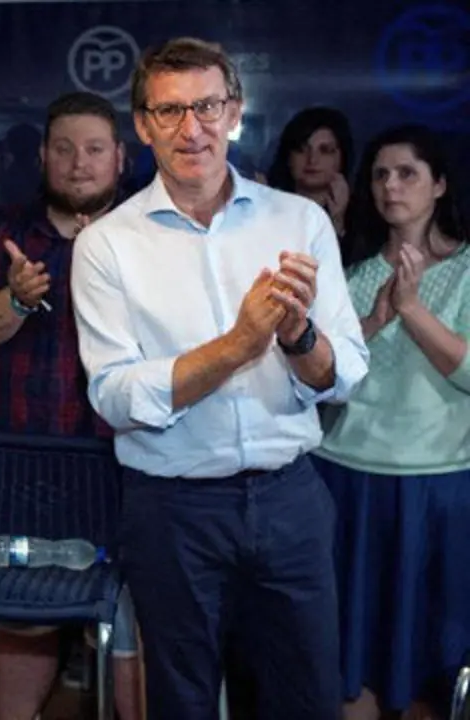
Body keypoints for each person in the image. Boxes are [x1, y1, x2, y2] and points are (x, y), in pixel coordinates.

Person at [70, 37, 369, 720]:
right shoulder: (107, 245)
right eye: (169, 111)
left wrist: (295, 336)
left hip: (289, 497)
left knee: (304, 698)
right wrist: (238, 345)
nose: (191, 128)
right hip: (173, 511)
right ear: (142, 125)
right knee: (184, 702)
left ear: (233, 111)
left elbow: (344, 374)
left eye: (206, 106)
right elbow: (116, 396)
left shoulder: (299, 220)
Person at [0, 91, 142, 720]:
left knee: (136, 615)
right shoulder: (4, 233)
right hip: (19, 465)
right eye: (64, 149)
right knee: (25, 615)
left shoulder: (148, 233)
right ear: (42, 156)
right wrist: (14, 301)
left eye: (94, 150)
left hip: (121, 464)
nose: (78, 164)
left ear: (120, 158)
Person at [313, 124, 470, 720]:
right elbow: (317, 379)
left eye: (407, 173)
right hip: (347, 477)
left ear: (439, 185)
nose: (390, 185)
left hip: (437, 485)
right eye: (380, 174)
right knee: (352, 647)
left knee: (429, 648)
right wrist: (378, 318)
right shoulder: (349, 273)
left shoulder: (467, 268)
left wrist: (412, 309)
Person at [267, 106, 354, 238]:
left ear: (342, 157)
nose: (312, 160)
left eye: (325, 150)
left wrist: (337, 221)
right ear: (288, 157)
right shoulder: (267, 207)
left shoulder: (362, 216)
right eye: (301, 149)